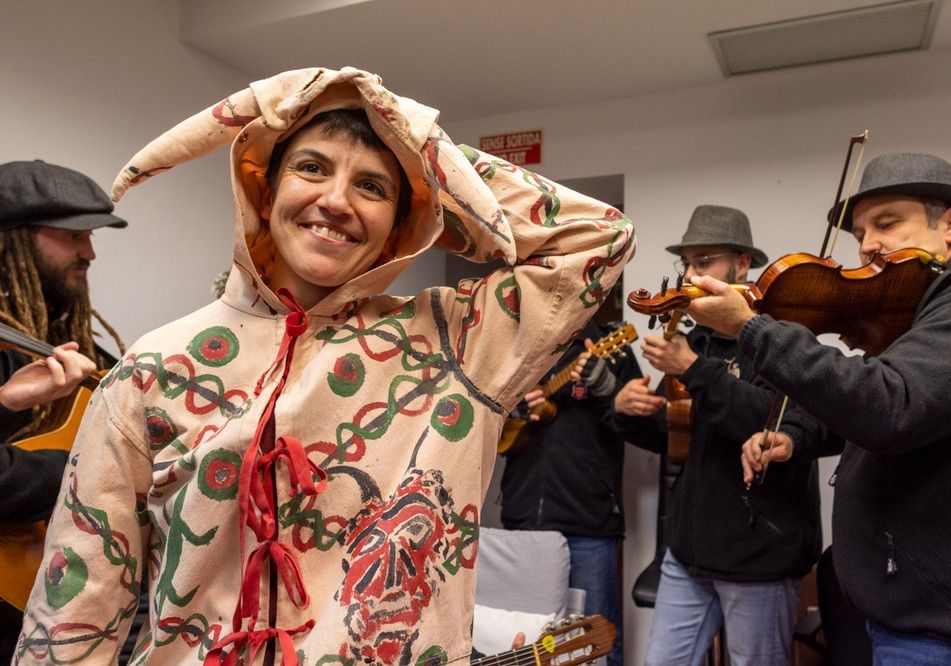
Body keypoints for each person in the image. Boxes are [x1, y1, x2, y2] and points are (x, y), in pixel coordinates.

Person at [16, 67, 634, 665]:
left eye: (373, 187)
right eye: (311, 168)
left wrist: (415, 140)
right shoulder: (153, 370)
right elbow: (75, 614)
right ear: (265, 187)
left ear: (404, 222)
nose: (336, 201)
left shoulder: (460, 345)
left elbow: (598, 239)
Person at [688, 154, 951, 663]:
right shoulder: (919, 307)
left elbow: (890, 406)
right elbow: (864, 411)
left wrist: (753, 329)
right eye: (859, 232)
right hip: (903, 609)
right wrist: (798, 435)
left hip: (943, 629)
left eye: (887, 222)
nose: (868, 245)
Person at [613, 205, 822, 666]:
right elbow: (681, 435)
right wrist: (628, 412)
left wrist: (693, 368)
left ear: (742, 264)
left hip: (758, 557)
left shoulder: (779, 339)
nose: (690, 273)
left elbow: (776, 422)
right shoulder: (697, 339)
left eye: (703, 261)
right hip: (688, 554)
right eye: (686, 262)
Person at [0, 160, 129, 662]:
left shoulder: (80, 352)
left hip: (54, 605)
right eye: (73, 236)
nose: (89, 252)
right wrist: (93, 475)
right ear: (14, 239)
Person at [498, 315, 644, 666]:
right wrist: (508, 411)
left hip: (589, 522)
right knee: (526, 640)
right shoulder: (520, 350)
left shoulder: (613, 349)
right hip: (525, 521)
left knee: (596, 642)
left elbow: (647, 430)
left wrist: (607, 390)